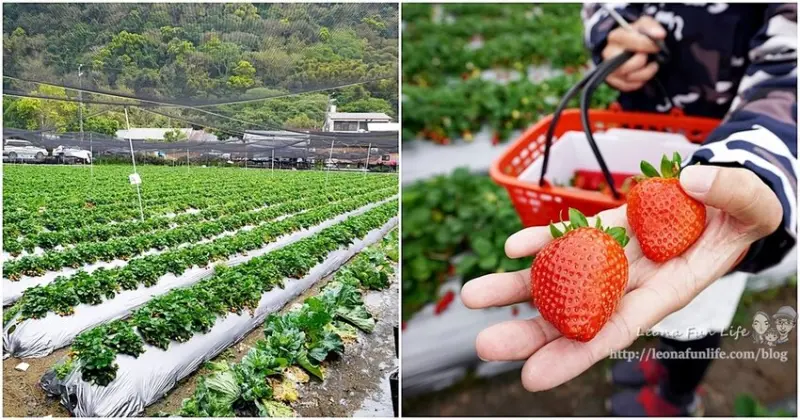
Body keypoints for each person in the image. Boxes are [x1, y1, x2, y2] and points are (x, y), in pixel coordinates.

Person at [461, 3, 797, 417]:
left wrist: (756, 164)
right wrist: (610, 32)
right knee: (657, 308)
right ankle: (663, 360)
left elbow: (791, 63)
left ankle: (676, 396)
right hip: (643, 130)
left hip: (726, 167)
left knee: (699, 317)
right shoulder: (640, 204)